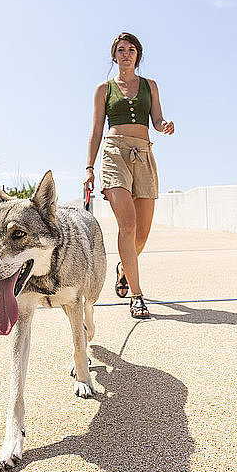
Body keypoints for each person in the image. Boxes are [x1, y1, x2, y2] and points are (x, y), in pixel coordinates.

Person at [83, 32, 174, 319]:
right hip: (114, 154)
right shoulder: (103, 90)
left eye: (131, 49)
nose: (126, 53)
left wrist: (164, 124)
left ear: (138, 55)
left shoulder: (150, 86)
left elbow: (156, 119)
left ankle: (125, 267)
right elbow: (97, 130)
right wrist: (89, 167)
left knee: (143, 232)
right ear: (114, 55)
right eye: (121, 49)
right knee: (128, 224)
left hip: (144, 153)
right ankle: (137, 296)